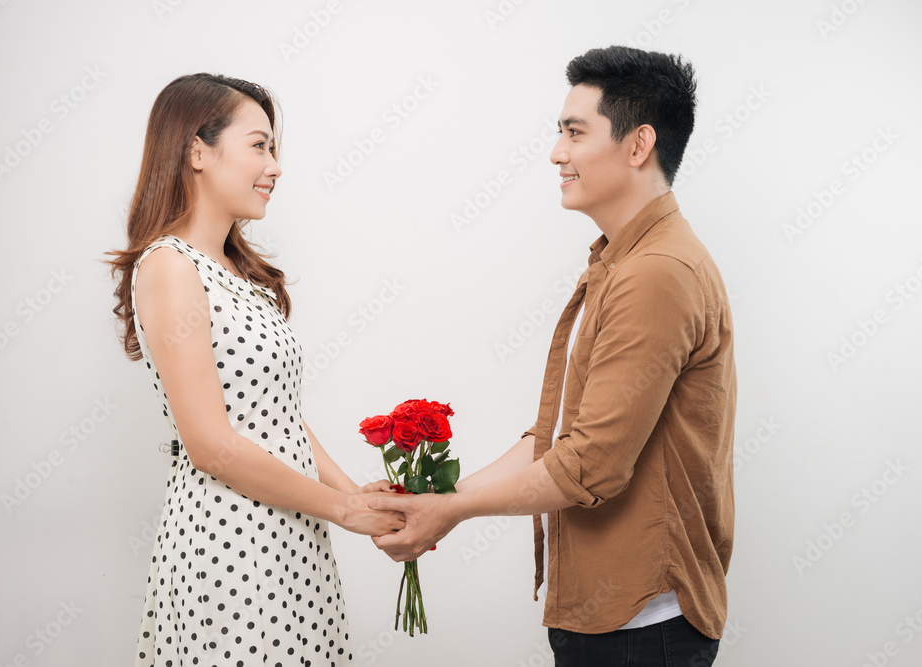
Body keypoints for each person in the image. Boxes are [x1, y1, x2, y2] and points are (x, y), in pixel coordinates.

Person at [369, 46, 736, 666]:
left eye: (574, 132)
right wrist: (437, 500)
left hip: (643, 625)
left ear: (639, 144)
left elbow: (589, 466)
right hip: (612, 616)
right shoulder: (622, 261)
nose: (556, 153)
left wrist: (452, 510)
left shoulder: (656, 273)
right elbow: (563, 433)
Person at [105, 73, 403, 667]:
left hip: (293, 531)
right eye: (259, 146)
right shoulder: (170, 266)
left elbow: (276, 416)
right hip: (229, 543)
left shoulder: (239, 273)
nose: (275, 166)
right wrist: (341, 510)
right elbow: (211, 446)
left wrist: (356, 497)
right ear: (197, 151)